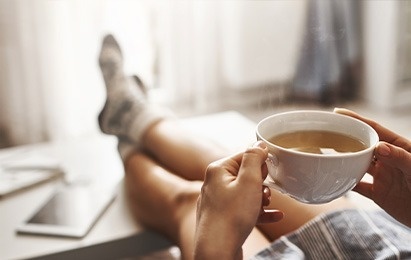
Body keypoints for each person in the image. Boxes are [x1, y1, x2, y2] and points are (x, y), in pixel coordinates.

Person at [97, 34, 411, 259]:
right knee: (224, 173)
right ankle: (132, 113)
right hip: (388, 246)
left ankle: (128, 140)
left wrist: (216, 248)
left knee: (192, 202)